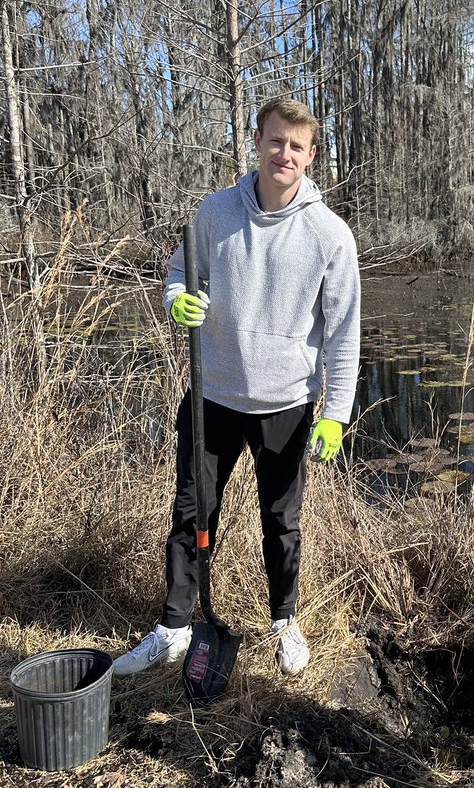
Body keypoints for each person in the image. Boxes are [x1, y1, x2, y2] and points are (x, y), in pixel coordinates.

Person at [113, 98, 361, 678]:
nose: (285, 154)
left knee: (283, 519)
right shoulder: (215, 213)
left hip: (288, 403)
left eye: (297, 146)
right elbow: (179, 272)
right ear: (257, 141)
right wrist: (178, 298)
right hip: (213, 395)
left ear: (311, 155)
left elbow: (344, 332)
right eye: (275, 141)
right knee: (191, 510)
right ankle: (174, 627)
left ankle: (284, 623)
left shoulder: (330, 234)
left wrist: (336, 413)